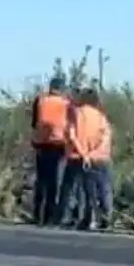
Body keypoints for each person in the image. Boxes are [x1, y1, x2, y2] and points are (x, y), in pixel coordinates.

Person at [63, 87, 113, 230]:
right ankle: (105, 217)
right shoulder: (100, 116)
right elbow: (105, 137)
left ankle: (81, 218)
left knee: (84, 190)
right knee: (103, 189)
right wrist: (93, 153)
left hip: (79, 157)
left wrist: (84, 154)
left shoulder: (76, 114)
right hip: (100, 158)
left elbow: (71, 135)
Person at [30, 76, 73, 226]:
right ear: (62, 89)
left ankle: (37, 215)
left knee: (41, 180)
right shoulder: (67, 103)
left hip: (41, 143)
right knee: (55, 182)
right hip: (59, 144)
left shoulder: (40, 100)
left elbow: (34, 122)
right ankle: (50, 217)